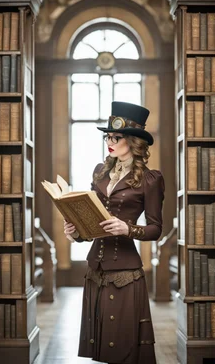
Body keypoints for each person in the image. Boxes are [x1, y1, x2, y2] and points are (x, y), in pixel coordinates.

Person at [64, 101, 165, 364]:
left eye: (116, 137)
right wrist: (75, 232)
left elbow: (156, 229)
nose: (109, 141)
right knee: (102, 349)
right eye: (108, 136)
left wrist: (127, 228)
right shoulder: (100, 172)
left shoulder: (150, 179)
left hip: (125, 272)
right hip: (94, 268)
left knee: (123, 345)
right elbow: (92, 223)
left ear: (133, 141)